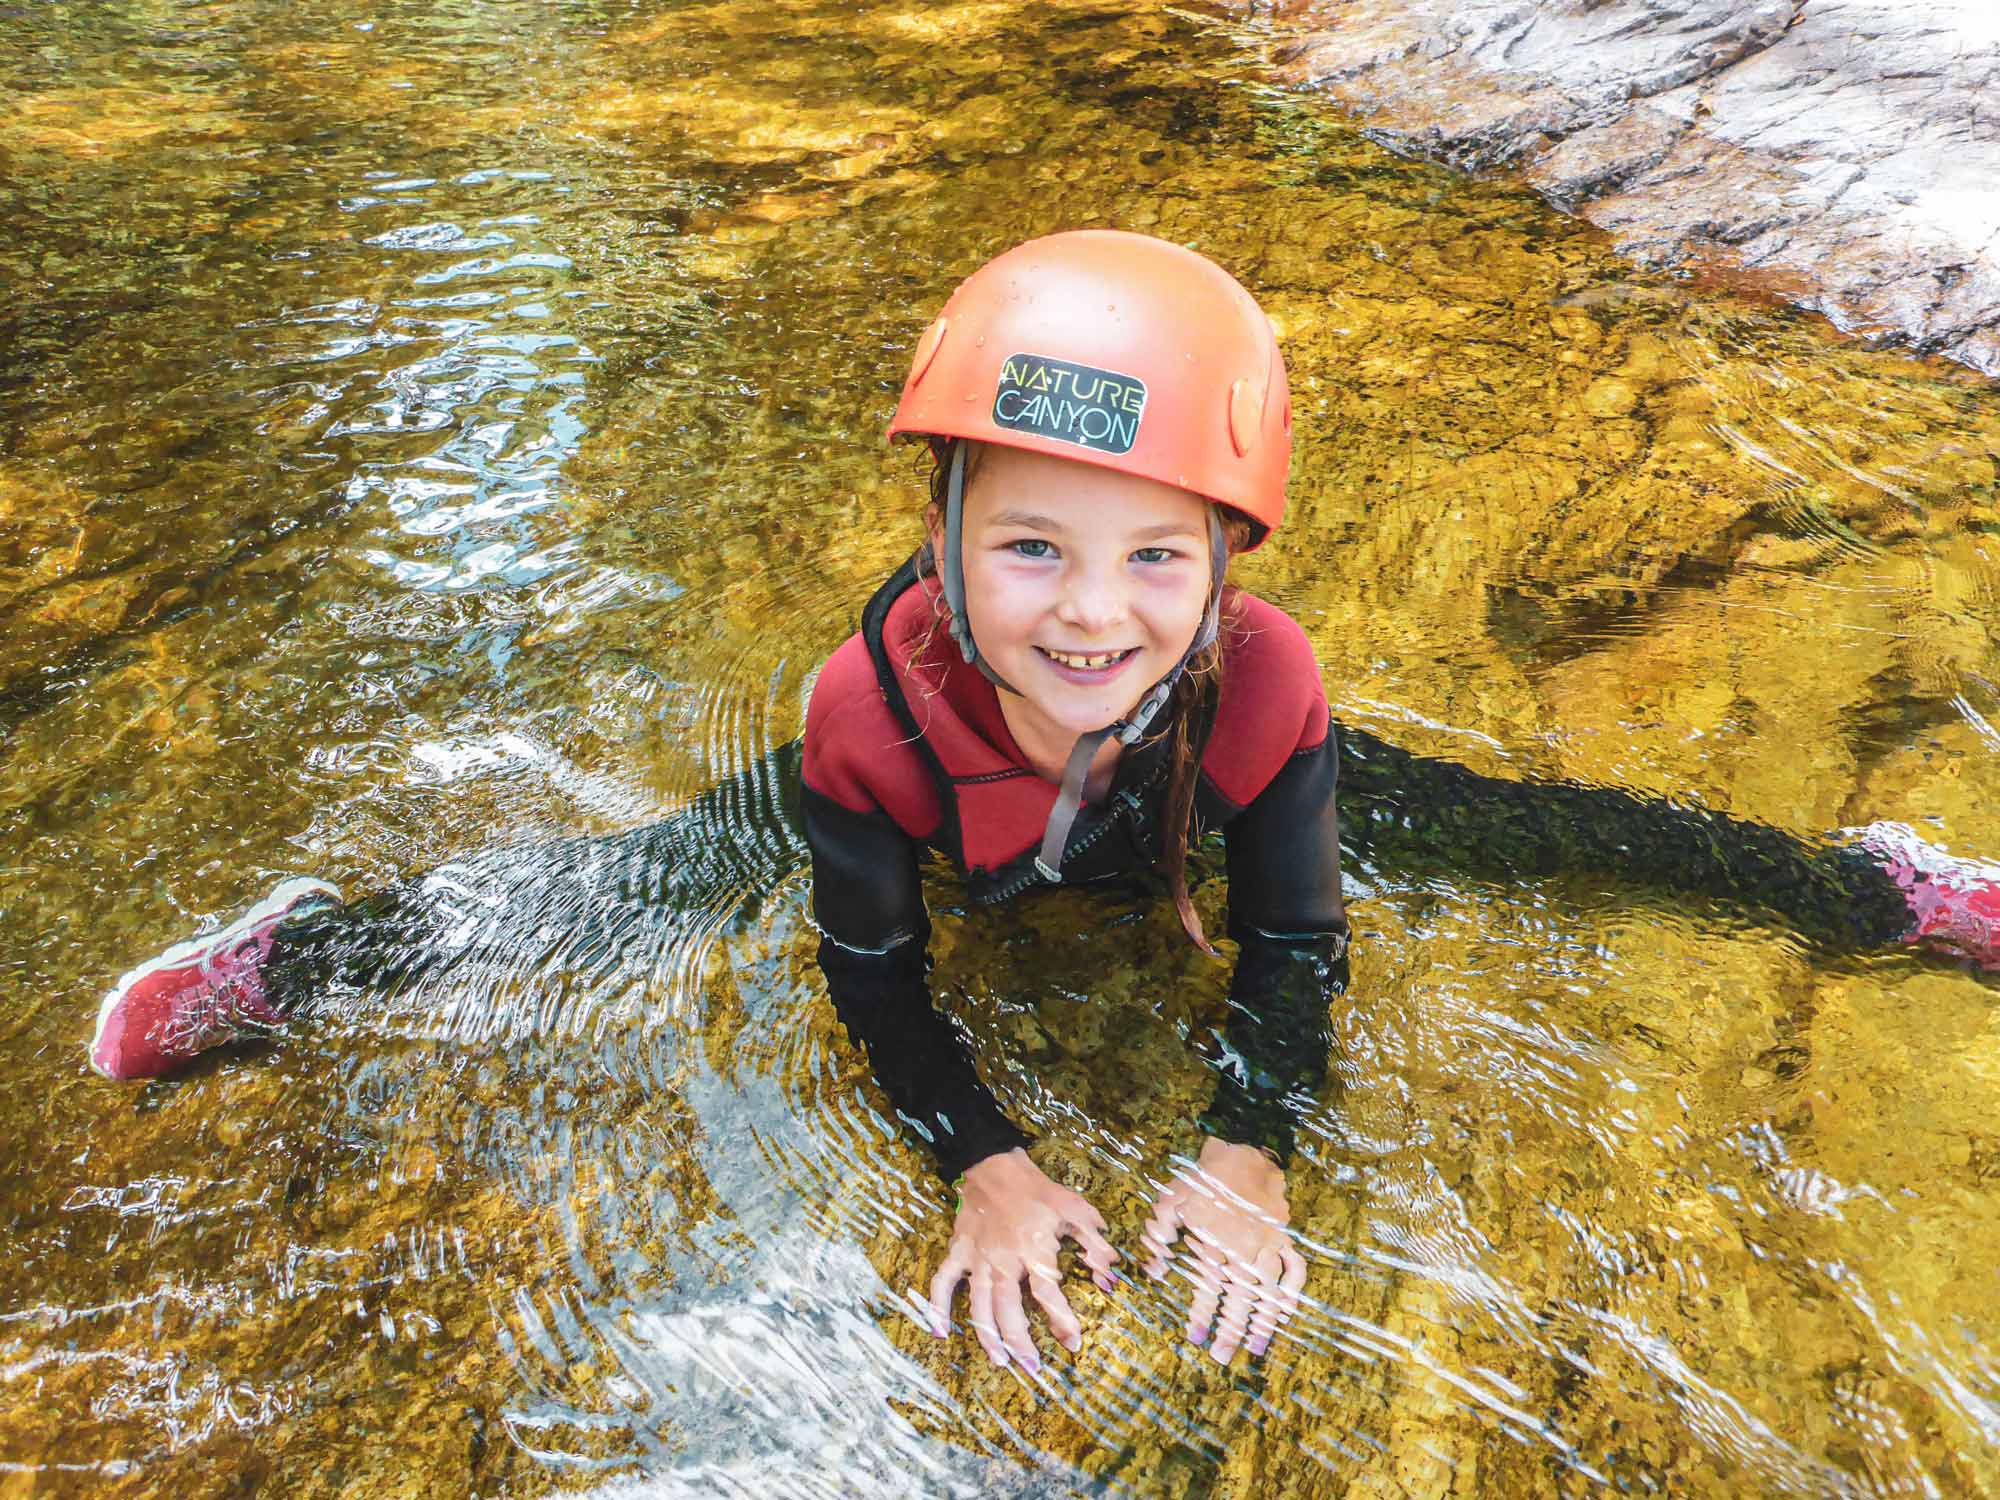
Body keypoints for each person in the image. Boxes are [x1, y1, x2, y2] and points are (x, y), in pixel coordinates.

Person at [87, 231, 2000, 1376]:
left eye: (1156, 559)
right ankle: (309, 963)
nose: (1092, 614)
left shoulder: (1258, 683)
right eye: (1027, 547)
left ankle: (1870, 892)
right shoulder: (867, 715)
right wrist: (987, 1167)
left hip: (1185, 793)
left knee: (1547, 834)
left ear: (1227, 569)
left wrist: (1247, 1150)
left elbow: (1299, 944)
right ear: (936, 538)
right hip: (942, 811)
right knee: (631, 889)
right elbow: (875, 975)